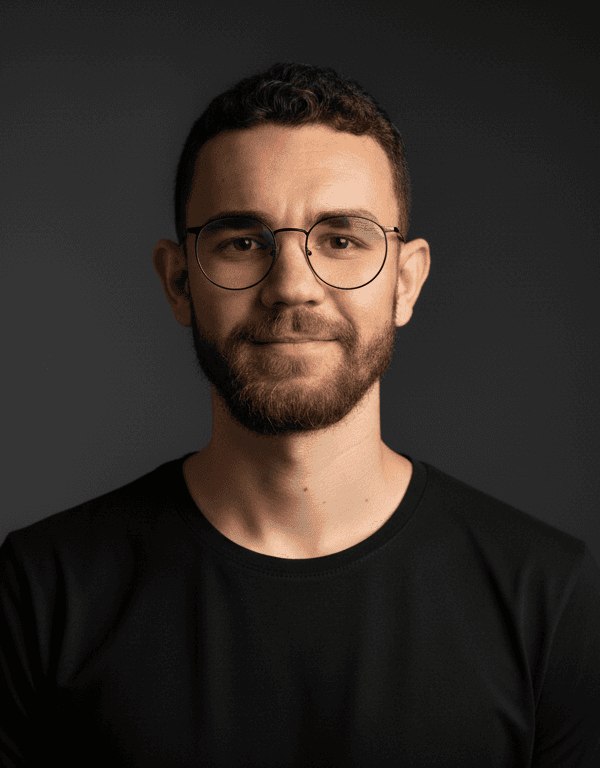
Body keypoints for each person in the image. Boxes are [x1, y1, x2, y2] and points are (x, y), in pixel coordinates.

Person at [1, 62, 599, 768]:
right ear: (177, 281)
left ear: (405, 282)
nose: (292, 288)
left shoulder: (550, 597)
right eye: (242, 241)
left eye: (342, 239)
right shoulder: (40, 592)